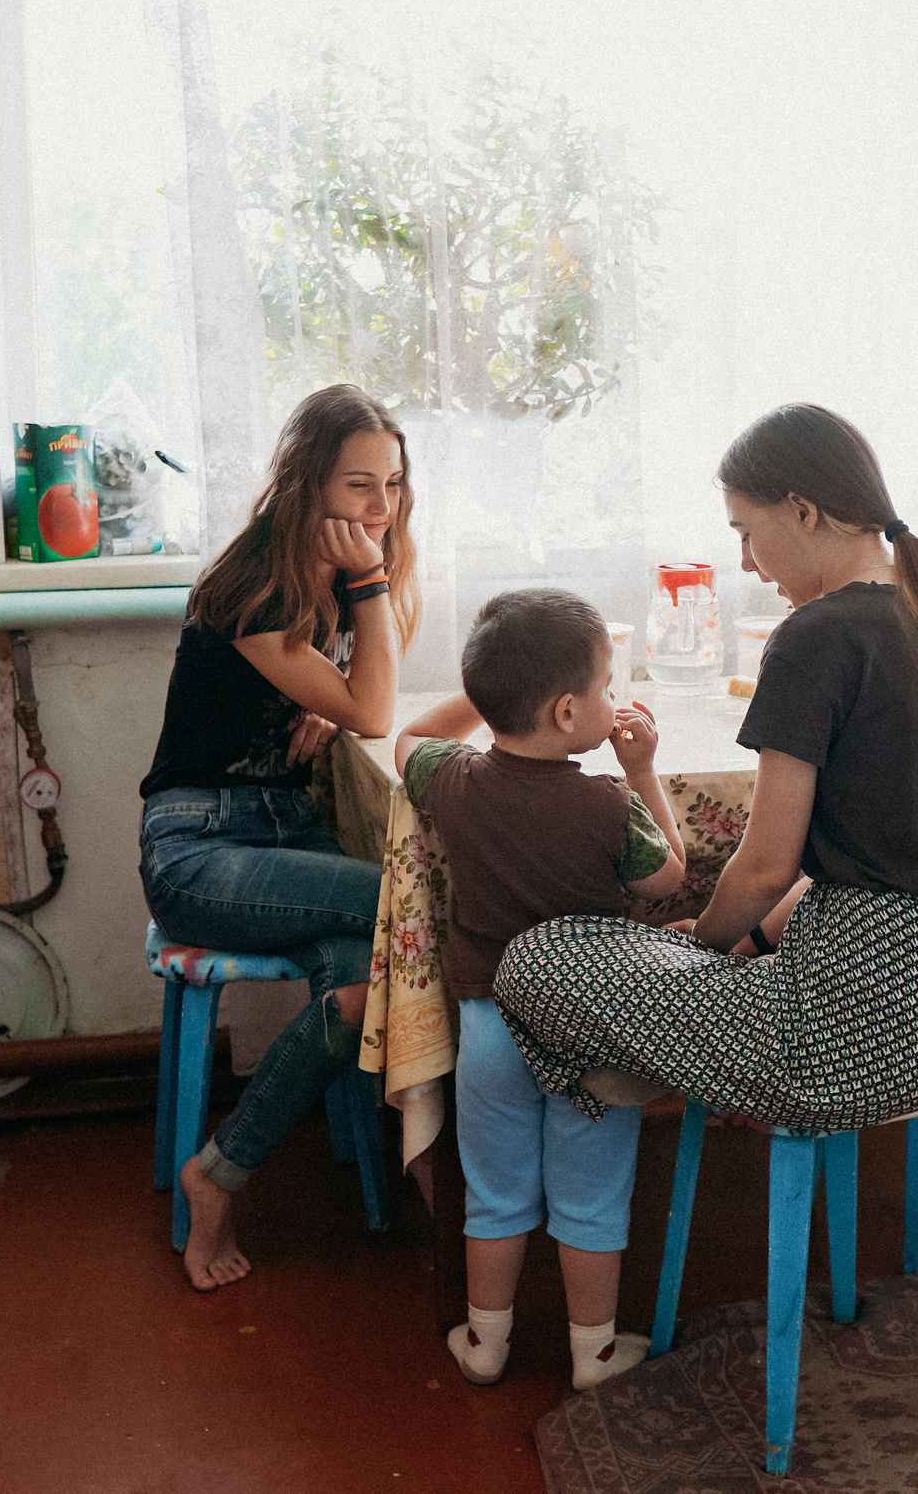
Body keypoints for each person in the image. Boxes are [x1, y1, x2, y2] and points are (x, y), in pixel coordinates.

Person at [492, 403, 918, 1136]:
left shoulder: (816, 635)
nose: (744, 561)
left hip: (847, 1040)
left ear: (802, 510)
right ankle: (668, 1052)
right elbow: (893, 862)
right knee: (692, 951)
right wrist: (753, 942)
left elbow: (767, 868)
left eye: (745, 532)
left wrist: (701, 950)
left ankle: (655, 1060)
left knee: (535, 958)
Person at [138, 383, 418, 1291]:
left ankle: (217, 1172)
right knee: (410, 905)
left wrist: (328, 712)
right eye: (359, 486)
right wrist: (369, 597)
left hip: (285, 835)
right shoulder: (257, 583)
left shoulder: (337, 576)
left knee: (361, 981)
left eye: (393, 486)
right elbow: (380, 706)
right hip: (200, 849)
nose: (380, 509)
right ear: (308, 485)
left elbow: (363, 700)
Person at [394, 589, 690, 1392]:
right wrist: (641, 767)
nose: (612, 698)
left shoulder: (452, 780)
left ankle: (486, 1340)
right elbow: (671, 873)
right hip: (584, 1026)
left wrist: (489, 693)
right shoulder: (606, 802)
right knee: (591, 1192)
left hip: (488, 1026)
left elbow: (409, 738)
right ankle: (591, 1350)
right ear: (567, 710)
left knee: (494, 1190)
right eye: (605, 686)